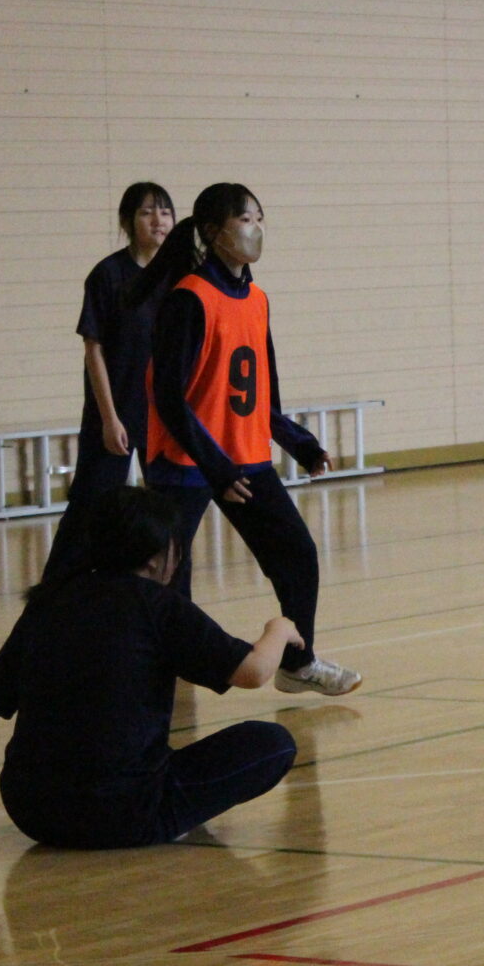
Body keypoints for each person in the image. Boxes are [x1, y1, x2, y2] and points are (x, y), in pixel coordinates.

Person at [0, 487, 304, 849]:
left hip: (30, 810)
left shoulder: (49, 601)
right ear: (155, 559)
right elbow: (254, 672)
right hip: (122, 812)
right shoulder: (158, 605)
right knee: (273, 744)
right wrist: (277, 631)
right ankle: (166, 820)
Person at [125, 182, 360, 696]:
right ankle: (156, 670)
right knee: (167, 574)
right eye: (245, 220)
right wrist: (214, 466)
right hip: (187, 462)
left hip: (243, 459)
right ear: (215, 233)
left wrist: (298, 441)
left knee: (296, 555)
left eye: (259, 218)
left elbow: (259, 396)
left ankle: (297, 663)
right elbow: (168, 398)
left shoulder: (256, 299)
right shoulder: (188, 299)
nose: (256, 229)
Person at [41, 181, 174, 581]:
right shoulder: (108, 275)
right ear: (128, 221)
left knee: (167, 511)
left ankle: (159, 592)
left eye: (165, 212)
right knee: (90, 506)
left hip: (163, 416)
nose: (158, 221)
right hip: (114, 411)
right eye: (147, 212)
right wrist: (110, 419)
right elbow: (93, 350)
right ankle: (55, 590)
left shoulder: (180, 275)